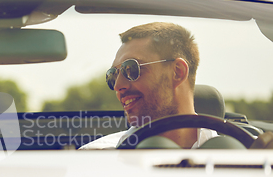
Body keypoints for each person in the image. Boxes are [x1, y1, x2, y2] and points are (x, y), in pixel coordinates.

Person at [80, 22, 273, 150]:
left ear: (177, 72)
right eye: (113, 75)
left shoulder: (254, 156)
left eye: (131, 69)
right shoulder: (96, 158)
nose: (118, 86)